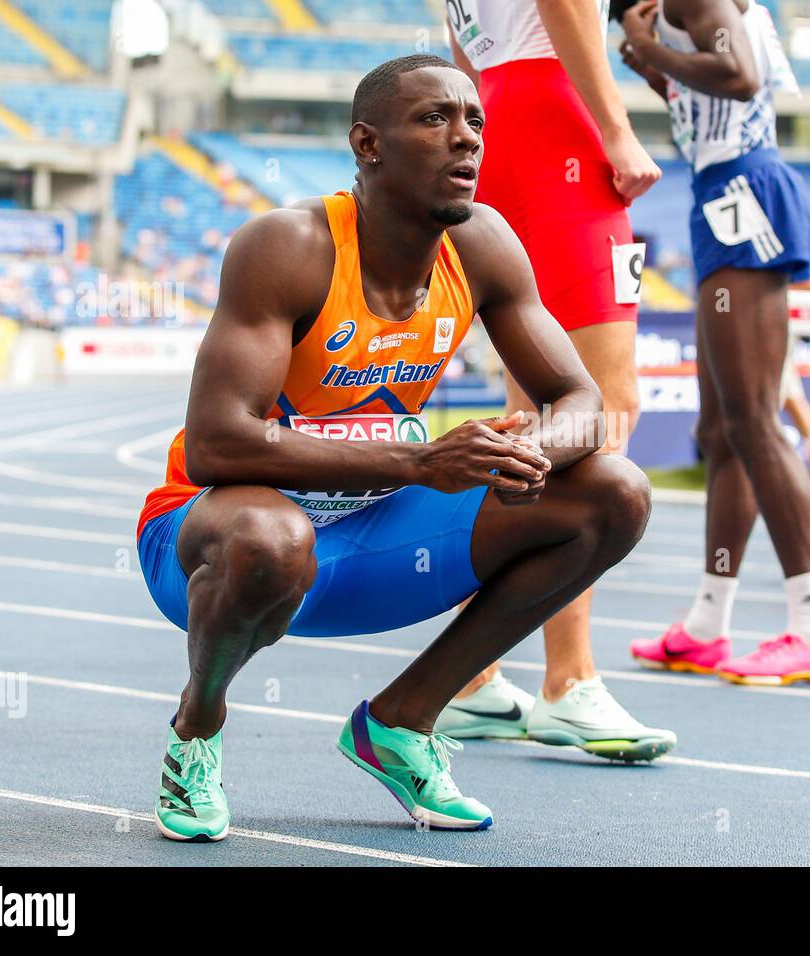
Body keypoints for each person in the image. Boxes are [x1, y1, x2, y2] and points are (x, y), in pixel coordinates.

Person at [135, 55, 654, 839]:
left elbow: (583, 401)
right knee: (273, 539)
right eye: (435, 119)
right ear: (367, 145)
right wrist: (416, 462)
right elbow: (216, 444)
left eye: (475, 121)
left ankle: (401, 724)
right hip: (217, 545)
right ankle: (195, 731)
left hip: (374, 542)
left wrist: (530, 451)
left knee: (615, 491)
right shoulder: (288, 247)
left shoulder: (482, 245)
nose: (466, 139)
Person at [441, 0, 675, 758]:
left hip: (499, 117)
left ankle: (474, 677)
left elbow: (465, 42)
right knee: (598, 408)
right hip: (556, 115)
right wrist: (613, 127)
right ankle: (568, 682)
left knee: (530, 416)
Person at [616, 0, 810, 686]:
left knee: (753, 419)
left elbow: (739, 78)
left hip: (743, 184)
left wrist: (645, 48)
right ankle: (709, 625)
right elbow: (711, 90)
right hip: (720, 187)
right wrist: (651, 65)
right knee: (721, 430)